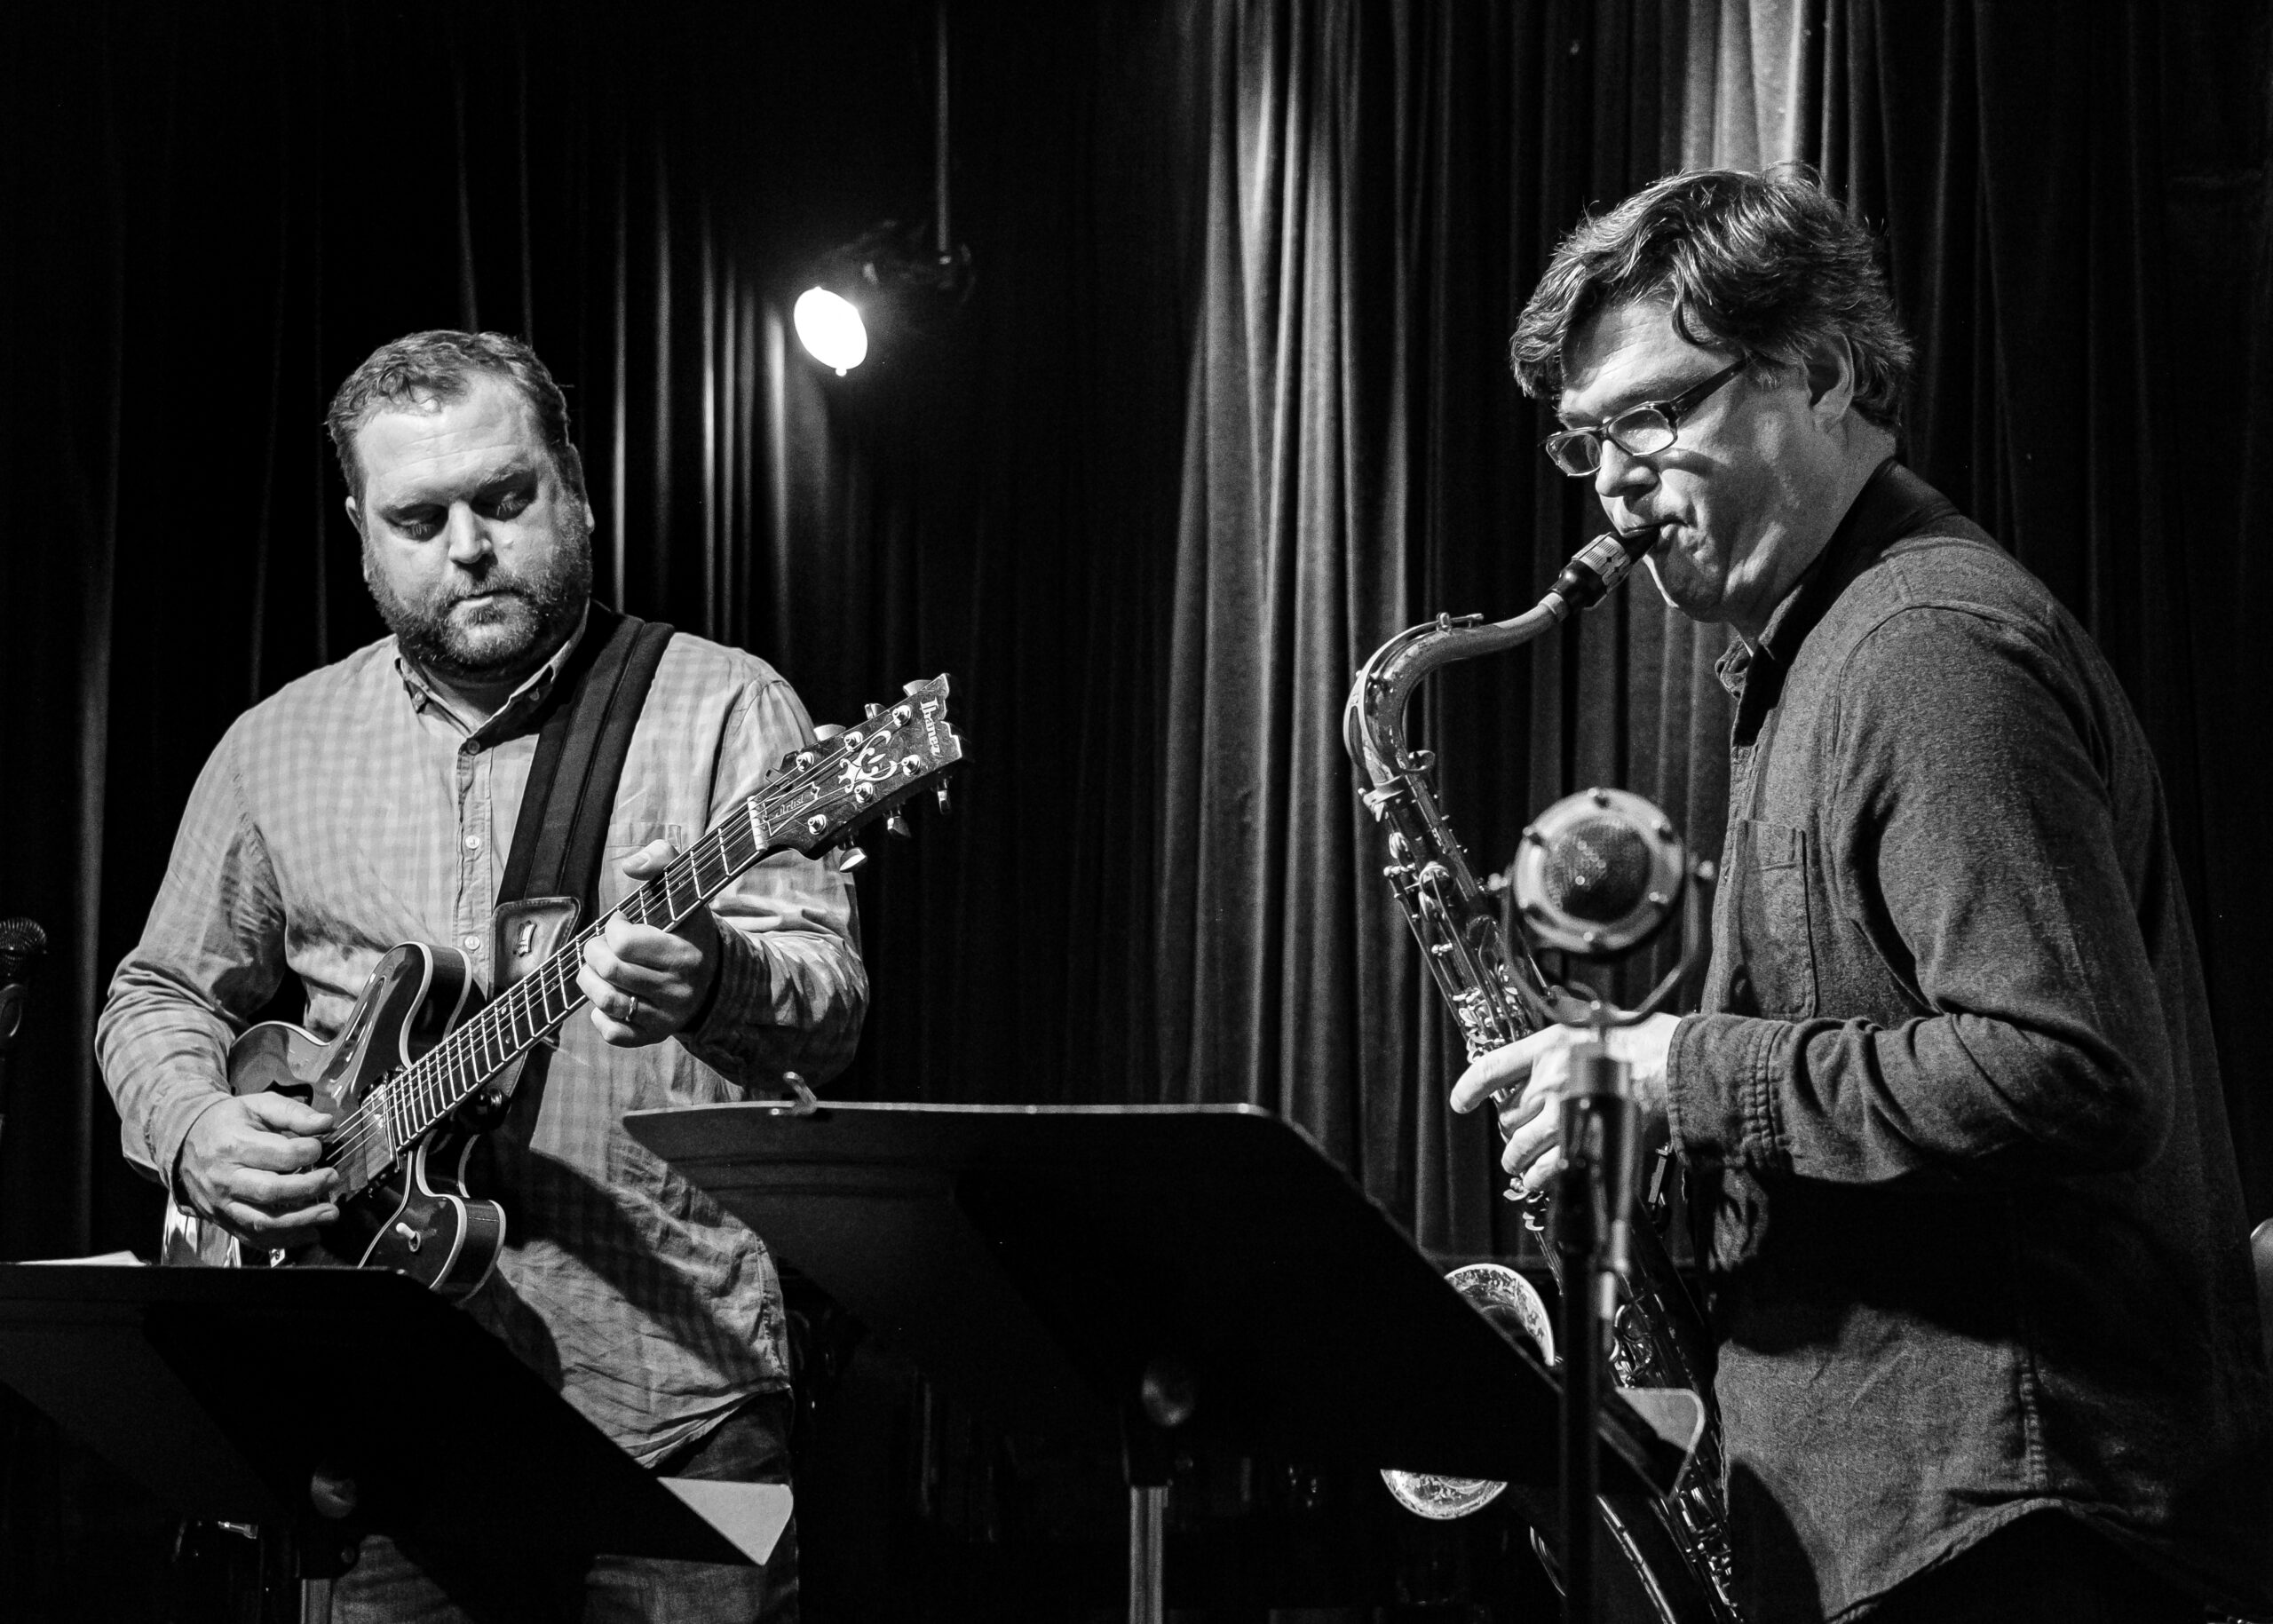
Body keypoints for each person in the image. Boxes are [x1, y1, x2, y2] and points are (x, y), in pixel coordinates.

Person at [1449, 170, 2271, 1623]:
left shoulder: (1924, 644)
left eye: (1655, 415)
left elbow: (2068, 1066)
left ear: (1823, 374)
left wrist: (1677, 1070)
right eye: (1586, 440)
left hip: (2010, 1528)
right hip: (1921, 1525)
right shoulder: (1814, 659)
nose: (1617, 481)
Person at [98, 329, 866, 1622]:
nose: (469, 546)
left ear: (577, 490)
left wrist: (713, 978)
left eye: (505, 497)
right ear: (361, 534)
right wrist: (195, 1126)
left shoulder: (723, 705)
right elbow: (159, 993)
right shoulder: (275, 744)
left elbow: (828, 1004)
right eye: (419, 517)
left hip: (673, 1400)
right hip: (377, 1414)